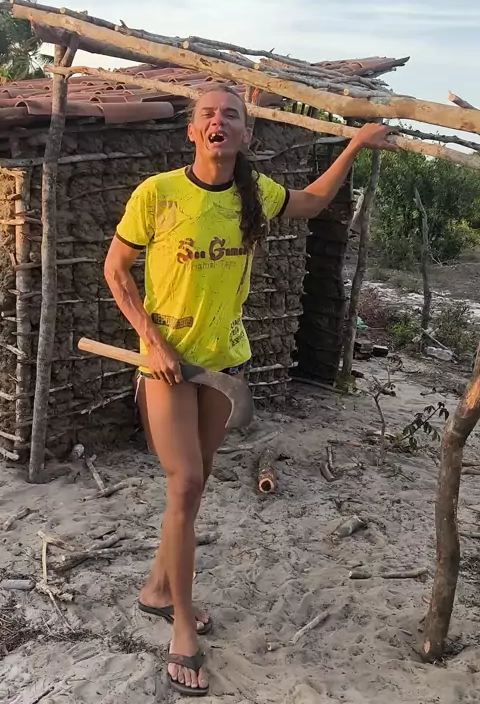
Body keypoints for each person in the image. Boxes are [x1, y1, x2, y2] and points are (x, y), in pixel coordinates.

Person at [104, 85, 393, 696]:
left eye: (230, 115)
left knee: (192, 488)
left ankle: (157, 589)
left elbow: (312, 201)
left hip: (222, 363)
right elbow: (116, 269)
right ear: (192, 131)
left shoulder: (253, 193)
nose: (218, 121)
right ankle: (183, 626)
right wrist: (152, 342)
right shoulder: (158, 194)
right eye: (207, 114)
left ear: (245, 134)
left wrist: (354, 145)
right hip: (166, 364)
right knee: (185, 483)